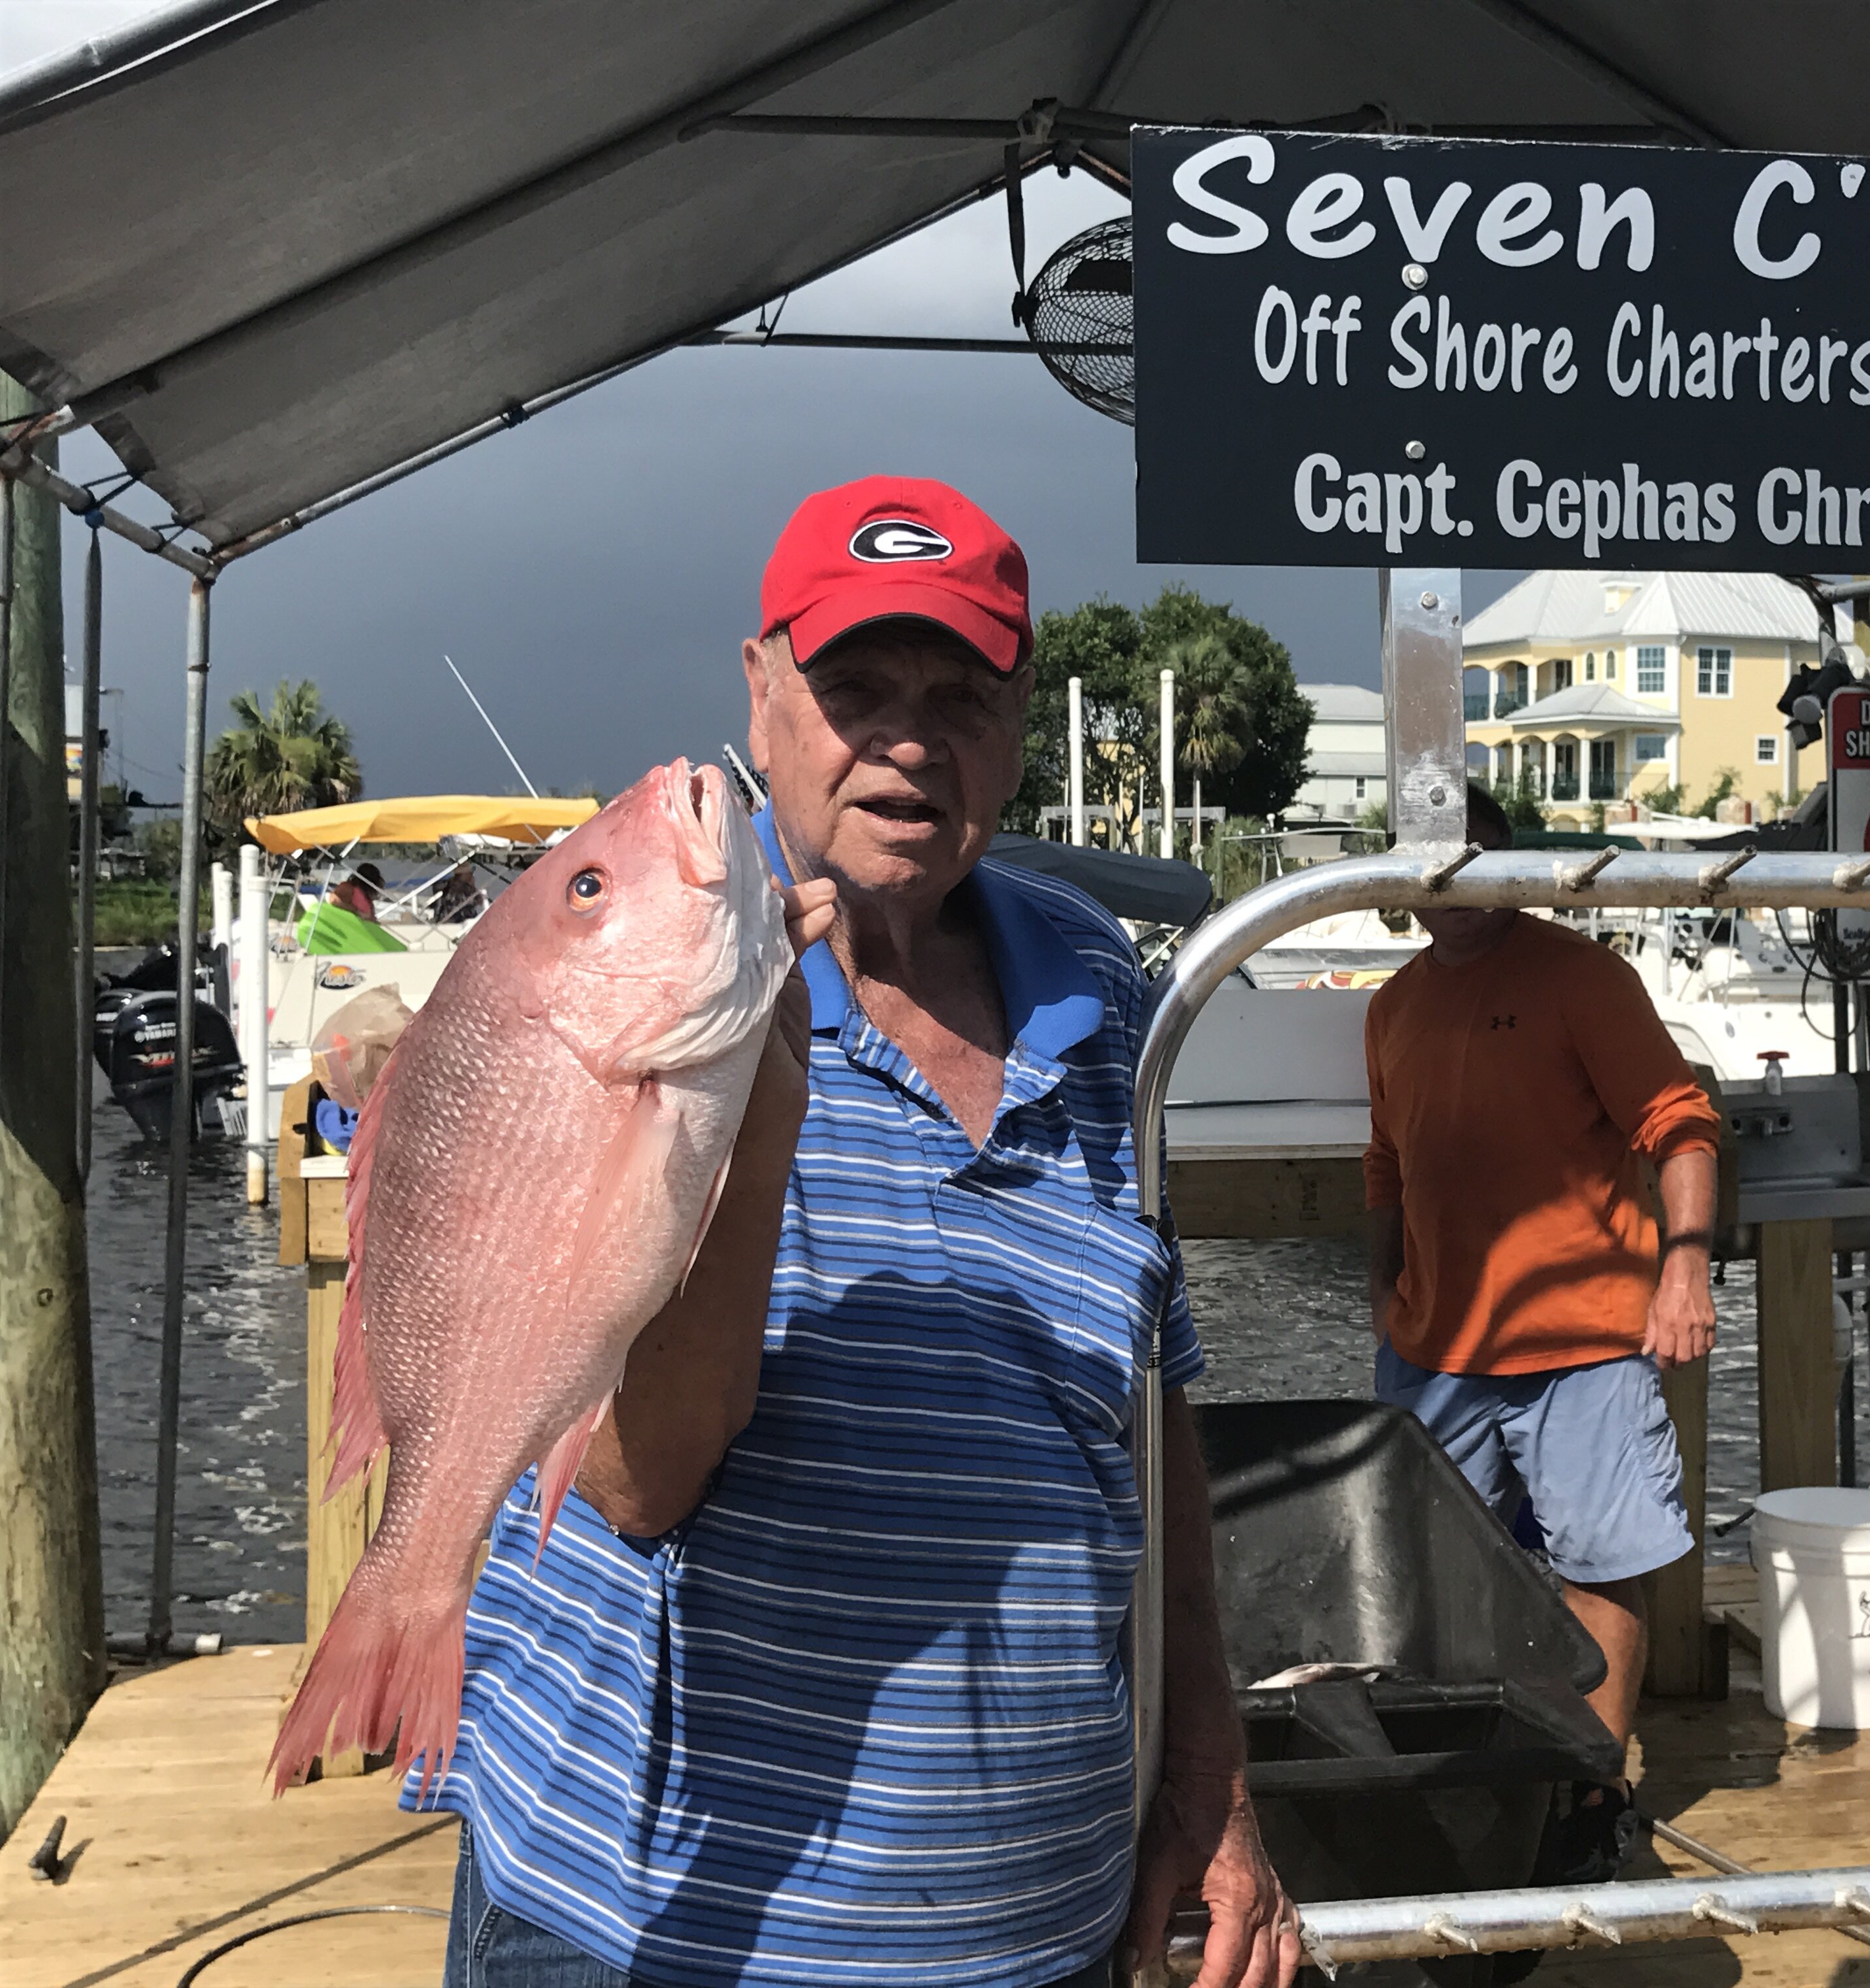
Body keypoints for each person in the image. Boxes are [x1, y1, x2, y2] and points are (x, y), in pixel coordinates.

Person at [427, 477, 1297, 1988]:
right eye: (855, 686)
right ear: (760, 693)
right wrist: (747, 1110)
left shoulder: (1099, 985)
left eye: (962, 692)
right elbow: (639, 1481)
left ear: (1024, 730)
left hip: (1040, 1935)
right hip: (656, 1935)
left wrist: (1210, 1776)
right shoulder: (637, 972)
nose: (909, 736)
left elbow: (1146, 1412)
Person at [1361, 781, 1720, 1881]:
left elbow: (1684, 1122)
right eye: (1433, 858)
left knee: (1601, 1572)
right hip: (1433, 1356)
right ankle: (1470, 1790)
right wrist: (1384, 1283)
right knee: (1420, 1583)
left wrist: (1687, 1261)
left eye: (1478, 853)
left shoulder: (1582, 979)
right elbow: (1386, 1158)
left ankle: (1591, 1798)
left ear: (1511, 859)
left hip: (1587, 1347)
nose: (1457, 880)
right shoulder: (1391, 1007)